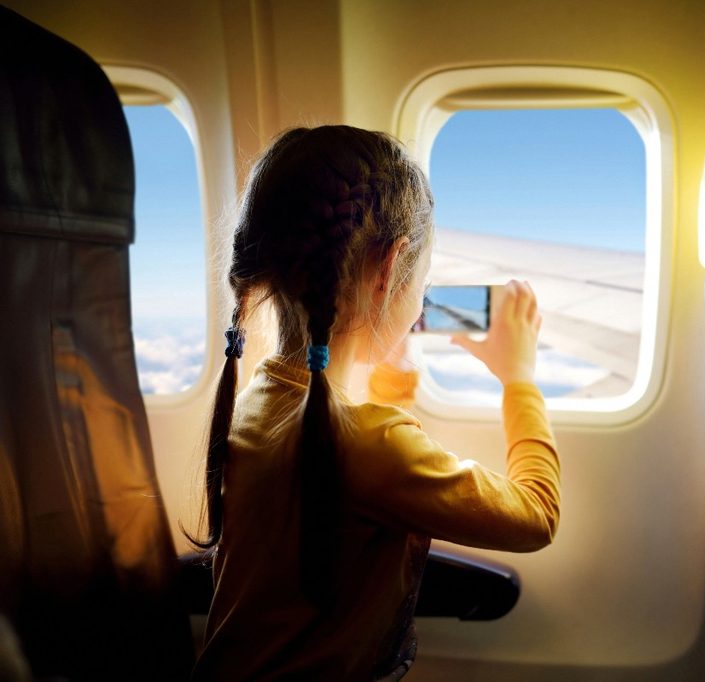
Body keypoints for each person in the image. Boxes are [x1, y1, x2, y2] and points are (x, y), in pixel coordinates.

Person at [189, 126, 560, 681]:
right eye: (421, 281)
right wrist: (519, 377)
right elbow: (536, 516)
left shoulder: (255, 404)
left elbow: (345, 451)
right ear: (390, 270)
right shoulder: (373, 446)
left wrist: (391, 371)